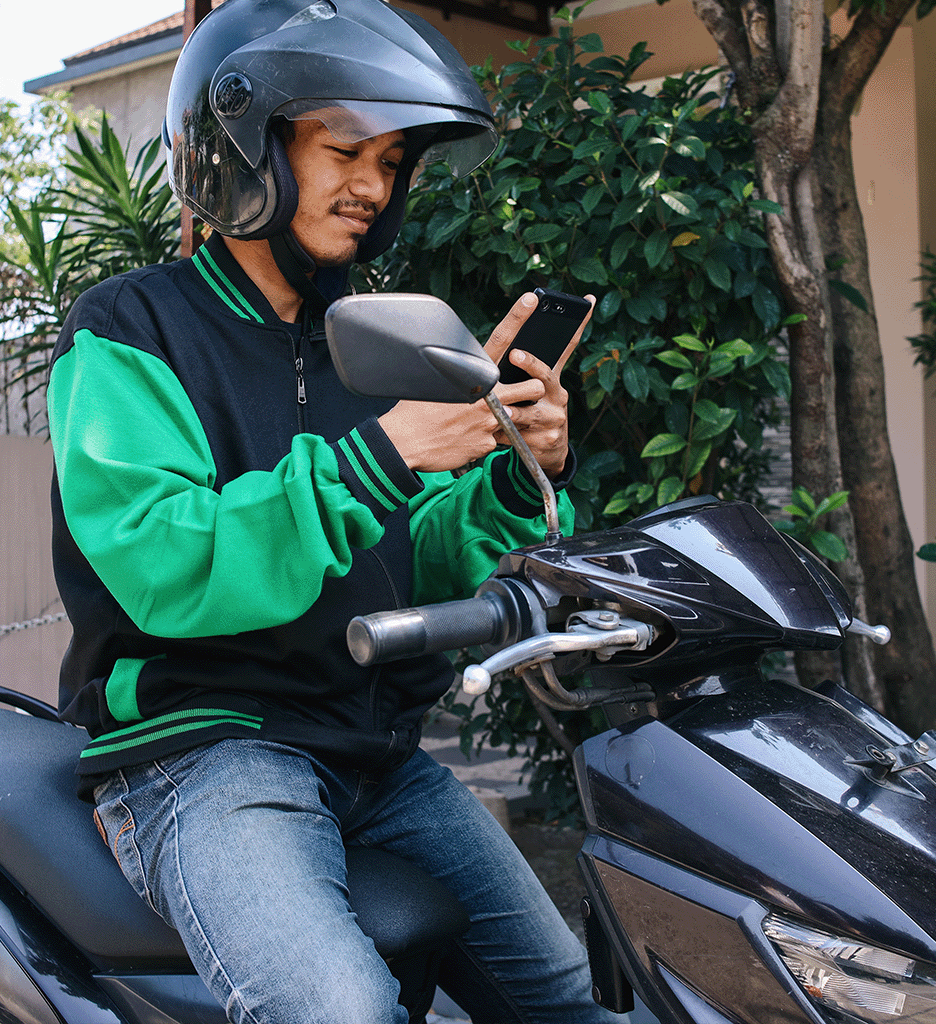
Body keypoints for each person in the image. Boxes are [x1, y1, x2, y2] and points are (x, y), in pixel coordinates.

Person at [46, 1, 613, 1022]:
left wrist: (513, 469)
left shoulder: (370, 340)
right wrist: (383, 454)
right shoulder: (128, 328)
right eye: (346, 150)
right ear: (247, 149)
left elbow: (416, 561)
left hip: (375, 753)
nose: (372, 187)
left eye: (391, 163)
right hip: (205, 752)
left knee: (568, 998)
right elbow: (164, 561)